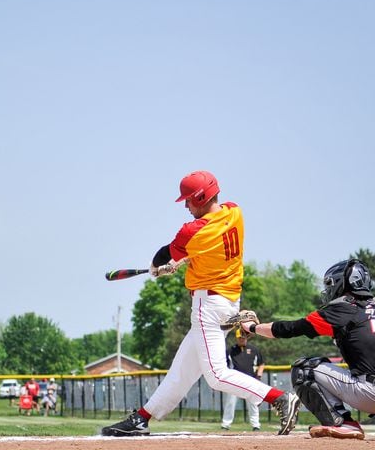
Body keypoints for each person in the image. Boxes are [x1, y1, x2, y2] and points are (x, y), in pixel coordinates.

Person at [101, 170, 299, 437]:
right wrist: (183, 261)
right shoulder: (234, 212)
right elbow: (204, 249)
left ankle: (278, 397)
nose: (185, 206)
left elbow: (164, 253)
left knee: (216, 375)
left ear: (202, 196)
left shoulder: (192, 230)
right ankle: (143, 417)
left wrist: (157, 267)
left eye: (189, 200)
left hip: (209, 305)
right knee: (181, 371)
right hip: (228, 301)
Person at [240, 258, 375, 440]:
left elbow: (290, 328)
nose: (328, 290)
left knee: (304, 368)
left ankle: (344, 423)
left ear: (344, 284)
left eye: (330, 284)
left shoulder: (342, 310)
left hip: (369, 392)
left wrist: (252, 327)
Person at [220, 328, 265, 431]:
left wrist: (258, 377)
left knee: (253, 403)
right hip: (234, 381)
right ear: (236, 338)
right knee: (230, 402)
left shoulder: (254, 350)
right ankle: (225, 424)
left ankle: (256, 425)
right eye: (240, 338)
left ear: (247, 337)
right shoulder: (231, 350)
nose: (242, 339)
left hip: (251, 380)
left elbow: (261, 364)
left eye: (244, 337)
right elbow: (225, 365)